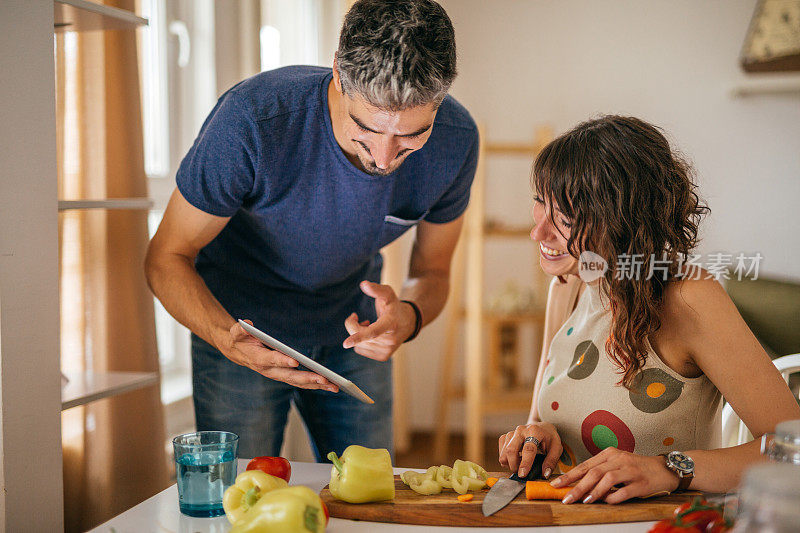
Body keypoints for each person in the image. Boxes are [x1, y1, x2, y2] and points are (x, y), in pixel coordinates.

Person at [145, 0, 478, 460]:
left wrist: (409, 316)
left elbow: (434, 272)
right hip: (240, 324)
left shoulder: (457, 140)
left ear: (439, 101)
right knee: (243, 500)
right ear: (339, 77)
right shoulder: (253, 121)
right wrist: (227, 338)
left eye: (410, 137)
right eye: (366, 129)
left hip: (351, 329)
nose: (384, 159)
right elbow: (165, 257)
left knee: (372, 498)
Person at [497, 115, 800, 504]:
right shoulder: (569, 286)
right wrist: (538, 437)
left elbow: (792, 448)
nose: (538, 232)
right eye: (540, 203)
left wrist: (666, 469)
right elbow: (541, 419)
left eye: (567, 219)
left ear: (623, 222)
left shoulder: (689, 297)